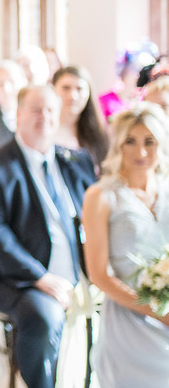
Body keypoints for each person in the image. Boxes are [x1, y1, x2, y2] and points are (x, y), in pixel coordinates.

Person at [0, 85, 96, 388]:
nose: (45, 117)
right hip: (14, 279)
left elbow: (94, 215)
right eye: (36, 109)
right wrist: (39, 276)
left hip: (78, 275)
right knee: (44, 315)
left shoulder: (75, 161)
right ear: (19, 114)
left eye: (51, 110)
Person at [81, 104, 169, 386]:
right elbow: (99, 275)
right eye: (130, 141)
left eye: (149, 142)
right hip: (127, 313)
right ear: (118, 144)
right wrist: (157, 312)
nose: (141, 153)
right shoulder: (101, 196)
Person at [51, 65, 108, 167]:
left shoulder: (99, 134)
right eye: (66, 88)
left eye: (79, 89)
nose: (73, 96)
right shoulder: (46, 132)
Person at [99, 41, 159, 120]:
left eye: (145, 72)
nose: (140, 76)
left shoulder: (148, 101)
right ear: (124, 72)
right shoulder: (105, 102)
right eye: (137, 70)